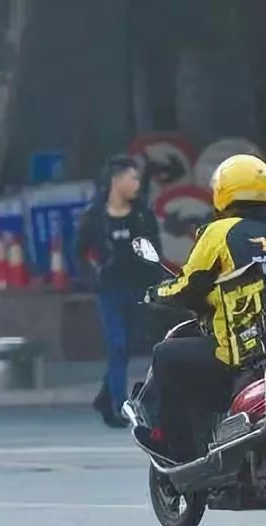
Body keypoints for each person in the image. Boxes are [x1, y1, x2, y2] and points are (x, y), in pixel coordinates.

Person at [143, 154, 266, 461]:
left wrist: (157, 294)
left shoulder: (220, 232)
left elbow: (189, 284)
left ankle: (176, 450)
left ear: (223, 192)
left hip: (241, 354)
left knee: (165, 355)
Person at [75, 156, 161, 428]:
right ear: (117, 180)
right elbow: (77, 251)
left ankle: (104, 397)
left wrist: (156, 286)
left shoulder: (141, 214)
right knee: (117, 344)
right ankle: (118, 406)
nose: (137, 184)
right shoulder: (95, 216)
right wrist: (92, 278)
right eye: (132, 178)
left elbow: (153, 250)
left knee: (127, 346)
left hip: (137, 287)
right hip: (110, 288)